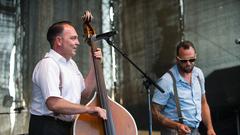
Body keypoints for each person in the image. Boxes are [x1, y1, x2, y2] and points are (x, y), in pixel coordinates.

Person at [28, 11, 107, 135]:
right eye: (73, 38)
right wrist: (87, 109)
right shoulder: (48, 64)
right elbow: (54, 104)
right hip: (48, 127)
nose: (78, 42)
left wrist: (94, 64)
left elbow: (85, 93)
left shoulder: (71, 64)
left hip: (67, 126)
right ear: (59, 41)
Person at [152, 41, 216, 135]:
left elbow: (203, 102)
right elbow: (154, 112)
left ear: (195, 56)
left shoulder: (198, 74)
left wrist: (210, 128)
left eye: (192, 60)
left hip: (195, 131)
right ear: (177, 59)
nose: (188, 63)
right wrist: (176, 125)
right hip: (173, 132)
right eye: (184, 60)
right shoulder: (166, 81)